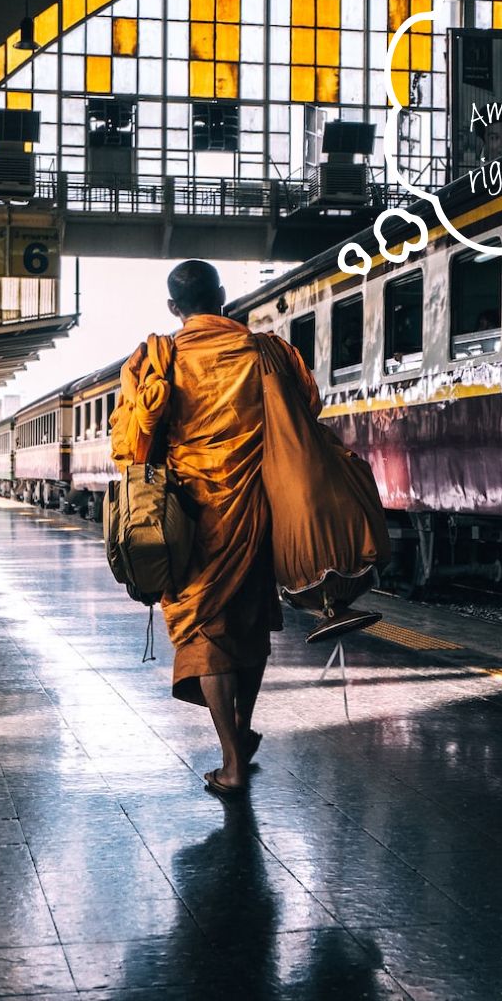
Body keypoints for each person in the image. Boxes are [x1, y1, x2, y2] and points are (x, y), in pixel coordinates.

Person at [111, 259, 316, 797]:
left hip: (191, 519)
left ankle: (231, 762)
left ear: (174, 309)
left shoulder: (159, 358)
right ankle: (241, 734)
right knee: (248, 626)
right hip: (255, 508)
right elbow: (306, 411)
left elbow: (132, 444)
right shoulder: (267, 351)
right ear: (224, 297)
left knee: (206, 633)